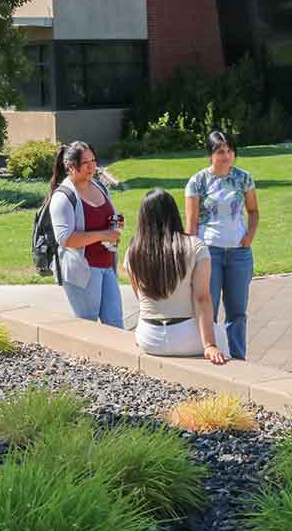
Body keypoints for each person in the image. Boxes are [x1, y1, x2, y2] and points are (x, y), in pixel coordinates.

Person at [124, 188, 228, 364]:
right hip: (187, 336)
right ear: (173, 213)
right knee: (222, 334)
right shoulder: (195, 247)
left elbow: (139, 295)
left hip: (149, 338)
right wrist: (209, 344)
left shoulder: (132, 251)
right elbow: (202, 298)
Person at [185, 130, 259, 360]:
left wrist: (249, 236)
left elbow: (253, 211)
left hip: (239, 254)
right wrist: (192, 254)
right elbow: (191, 223)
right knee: (208, 306)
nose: (226, 156)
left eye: (229, 151)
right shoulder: (197, 182)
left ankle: (238, 357)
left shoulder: (243, 178)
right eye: (220, 152)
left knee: (237, 311)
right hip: (209, 253)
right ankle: (210, 351)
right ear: (210, 155)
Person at [47, 141, 124, 328]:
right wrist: (104, 235)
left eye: (94, 160)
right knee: (87, 327)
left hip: (107, 267)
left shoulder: (100, 187)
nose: (92, 166)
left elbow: (106, 221)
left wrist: (115, 226)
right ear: (71, 167)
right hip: (82, 271)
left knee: (116, 326)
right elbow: (66, 239)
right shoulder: (63, 197)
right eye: (85, 163)